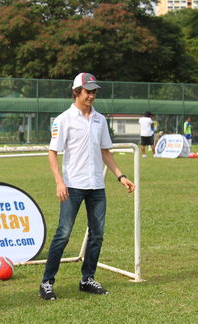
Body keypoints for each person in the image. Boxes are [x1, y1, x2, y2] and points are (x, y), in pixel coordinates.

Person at [39, 73, 135, 301]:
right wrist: (59, 182)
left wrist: (121, 176)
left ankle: (87, 279)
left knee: (97, 235)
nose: (91, 95)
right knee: (63, 235)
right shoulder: (63, 119)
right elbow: (52, 153)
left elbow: (105, 151)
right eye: (87, 91)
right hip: (72, 186)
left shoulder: (100, 119)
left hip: (97, 187)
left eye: (94, 91)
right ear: (76, 92)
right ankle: (47, 282)